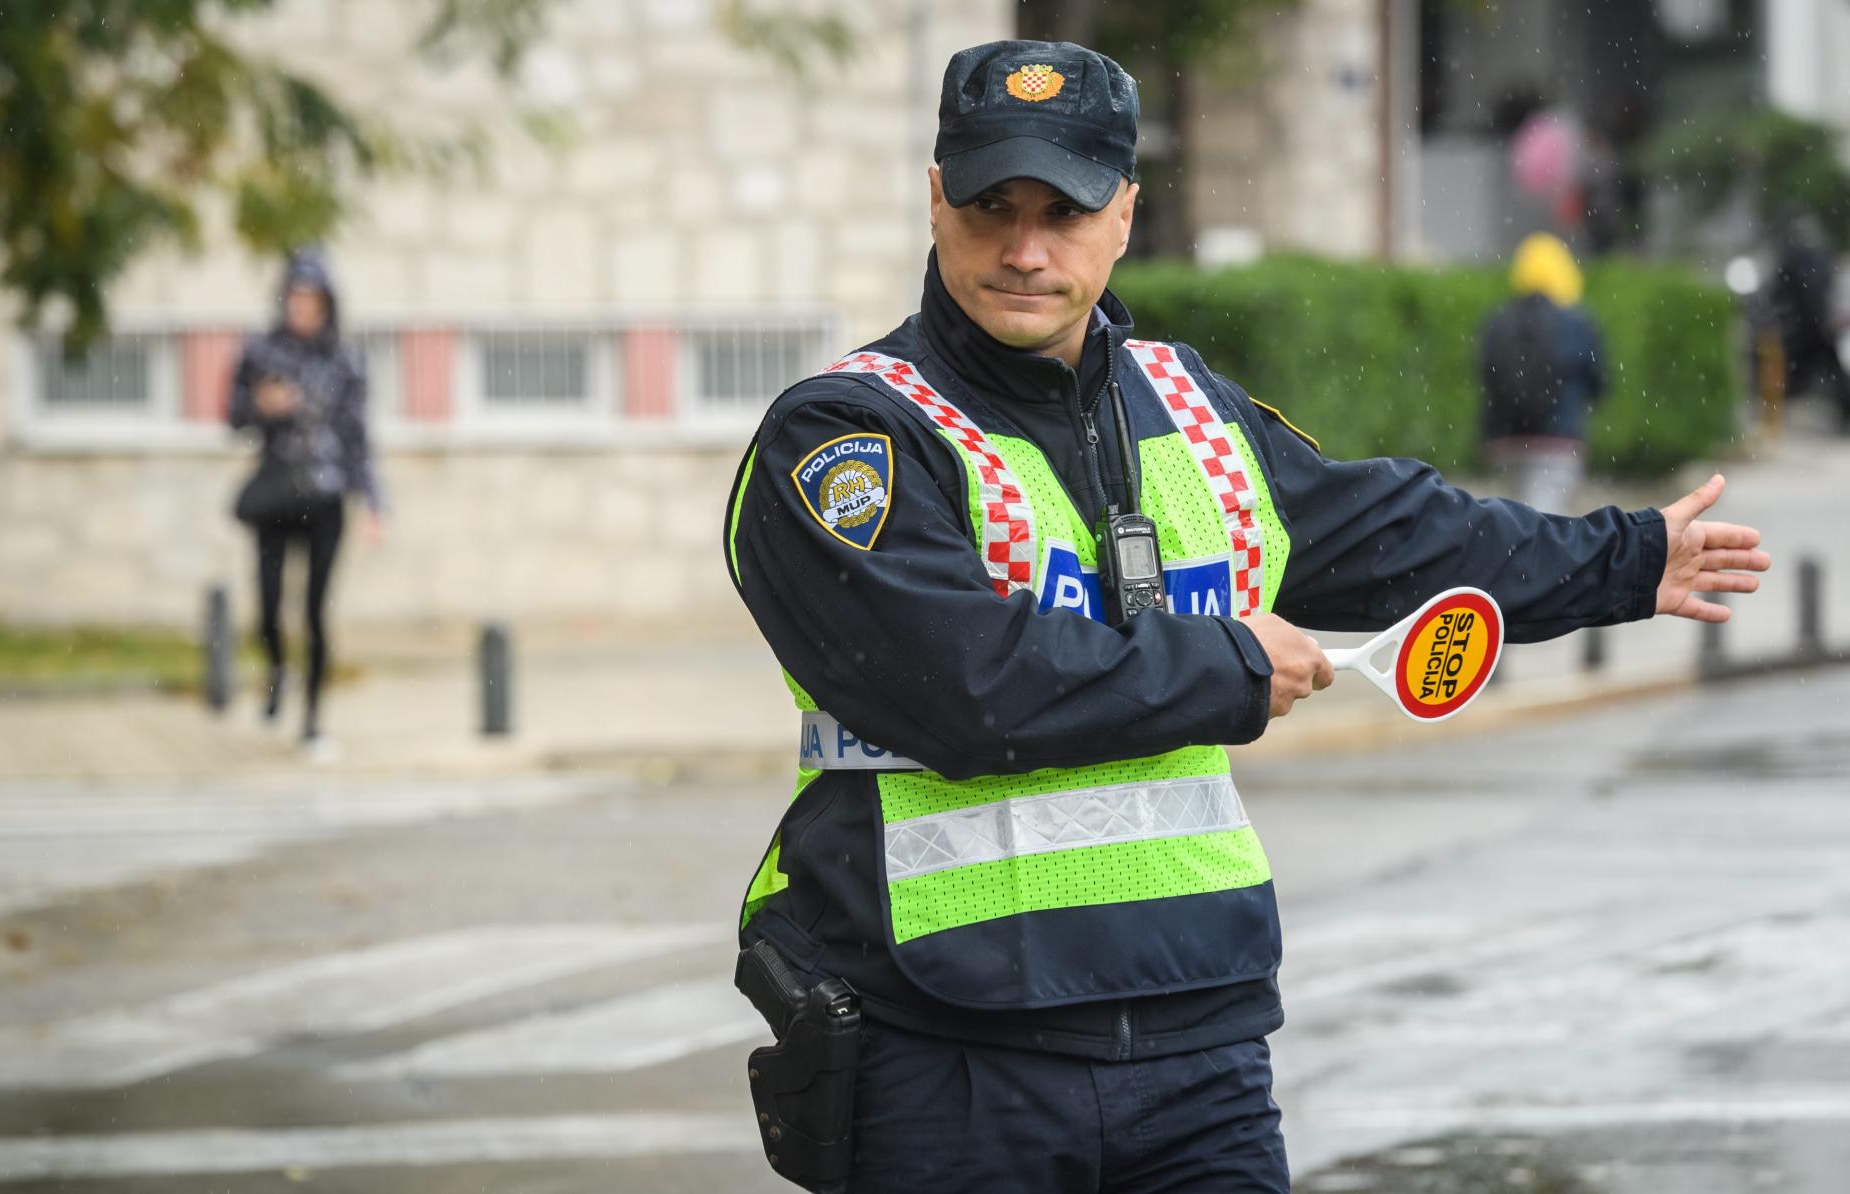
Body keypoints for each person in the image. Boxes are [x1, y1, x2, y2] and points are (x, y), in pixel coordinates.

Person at [723, 39, 1769, 1194]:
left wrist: (1626, 560)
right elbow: (967, 686)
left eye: (1063, 212)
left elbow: (1402, 536)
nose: (1025, 250)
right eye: (988, 209)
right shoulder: (845, 437)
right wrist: (1223, 667)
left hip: (1197, 1044)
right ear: (935, 199)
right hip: (947, 1047)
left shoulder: (1188, 405)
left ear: (1126, 212)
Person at [227, 248, 384, 755]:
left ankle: (313, 722)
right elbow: (232, 417)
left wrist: (375, 504)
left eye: (311, 297)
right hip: (276, 491)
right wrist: (261, 407)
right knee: (269, 605)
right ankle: (276, 672)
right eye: (295, 295)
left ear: (326, 303)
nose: (302, 306)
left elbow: (358, 437)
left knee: (316, 612)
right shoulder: (261, 351)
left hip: (327, 497)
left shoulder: (346, 359)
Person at [1477, 233, 1607, 513]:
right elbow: (1598, 382)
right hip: (1558, 442)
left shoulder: (1498, 320)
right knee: (1545, 527)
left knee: (1514, 523)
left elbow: (1486, 375)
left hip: (1505, 442)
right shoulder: (1578, 322)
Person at [1768, 209, 1850, 434]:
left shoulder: (1802, 258)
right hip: (1813, 329)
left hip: (1815, 330)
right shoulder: (1810, 258)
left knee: (1832, 376)